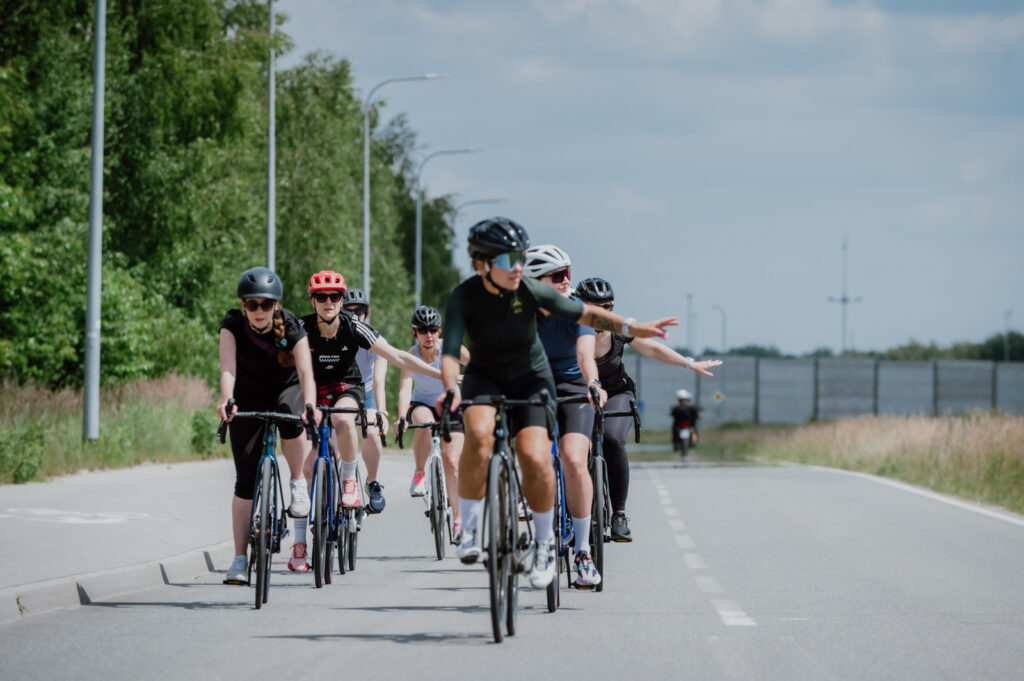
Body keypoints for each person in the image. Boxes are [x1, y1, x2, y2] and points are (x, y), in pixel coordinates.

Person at [438, 217, 677, 590]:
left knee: (558, 457)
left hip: (550, 383)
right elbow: (451, 349)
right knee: (481, 437)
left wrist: (632, 328)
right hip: (495, 377)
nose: (514, 267)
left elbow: (589, 320)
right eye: (507, 260)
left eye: (518, 259)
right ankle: (471, 525)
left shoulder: (543, 298)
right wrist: (451, 384)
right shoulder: (476, 297)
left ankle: (572, 549)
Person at [293, 271, 446, 572]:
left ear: (341, 300)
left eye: (335, 297)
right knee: (308, 467)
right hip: (313, 391)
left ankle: (351, 479)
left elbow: (399, 357)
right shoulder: (301, 328)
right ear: (312, 301)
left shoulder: (354, 327)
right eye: (321, 297)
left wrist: (441, 374)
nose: (328, 302)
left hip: (346, 389)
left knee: (345, 419)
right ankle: (300, 540)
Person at [575, 277, 721, 541]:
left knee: (612, 439)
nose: (601, 313)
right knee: (577, 450)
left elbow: (652, 348)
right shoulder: (569, 328)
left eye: (606, 307)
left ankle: (618, 513)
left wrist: (690, 363)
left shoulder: (618, 329)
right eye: (593, 307)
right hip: (581, 391)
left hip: (617, 391)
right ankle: (576, 517)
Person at [217, 266, 319, 584]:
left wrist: (311, 406)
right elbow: (228, 368)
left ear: (275, 305)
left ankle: (297, 481)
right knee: (244, 482)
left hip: (285, 389)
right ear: (243, 304)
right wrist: (227, 400)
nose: (258, 311)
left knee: (292, 414)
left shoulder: (291, 325)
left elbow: (305, 373)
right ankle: (238, 560)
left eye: (265, 304)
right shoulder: (232, 325)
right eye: (252, 304)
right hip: (247, 395)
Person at [524, 244, 606, 587]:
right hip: (535, 387)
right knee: (535, 458)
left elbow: (586, 356)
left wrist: (593, 382)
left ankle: (583, 552)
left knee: (574, 459)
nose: (567, 280)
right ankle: (542, 545)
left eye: (568, 272)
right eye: (558, 275)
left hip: (574, 387)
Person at [396, 305, 470, 536]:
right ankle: (420, 473)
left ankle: (458, 519)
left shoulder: (452, 347)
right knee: (425, 425)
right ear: (414, 333)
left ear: (439, 331)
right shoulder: (411, 354)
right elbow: (405, 388)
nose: (428, 336)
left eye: (433, 330)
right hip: (422, 404)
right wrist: (400, 416)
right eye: (422, 330)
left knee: (452, 462)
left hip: (450, 403)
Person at [344, 288, 388, 514]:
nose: (354, 315)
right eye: (348, 311)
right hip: (340, 392)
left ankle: (372, 482)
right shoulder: (335, 335)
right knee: (331, 438)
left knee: (371, 432)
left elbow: (379, 382)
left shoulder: (373, 340)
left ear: (366, 313)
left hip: (366, 393)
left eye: (358, 311)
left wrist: (381, 411)